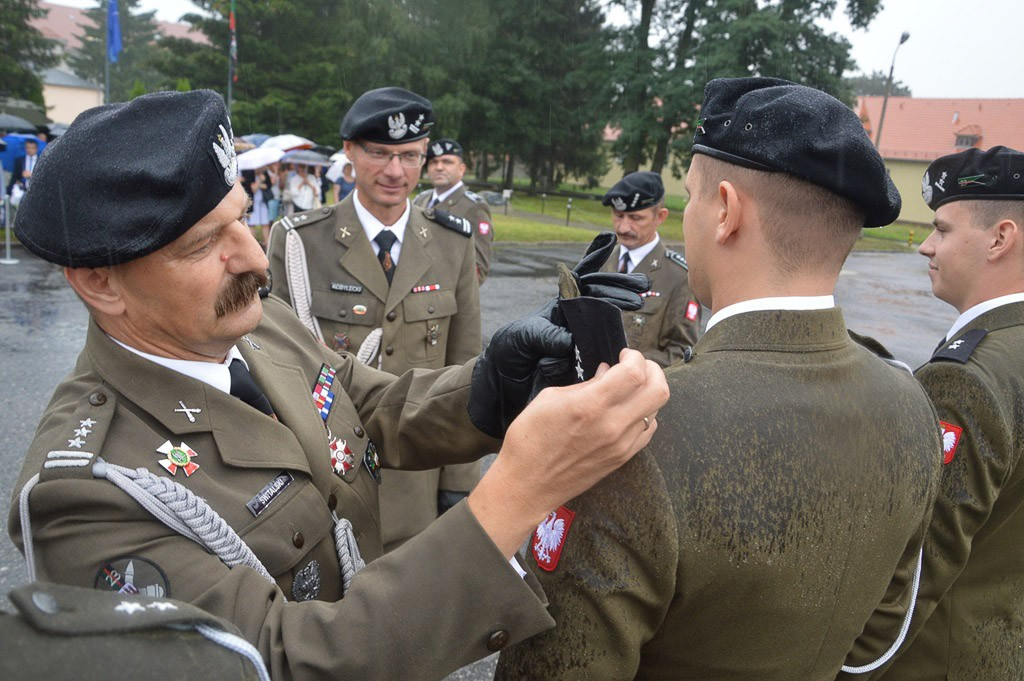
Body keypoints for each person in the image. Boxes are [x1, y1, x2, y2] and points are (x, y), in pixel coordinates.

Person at [8, 89, 667, 681]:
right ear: (99, 281)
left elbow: (368, 404)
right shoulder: (86, 491)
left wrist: (495, 383)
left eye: (242, 217)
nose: (253, 258)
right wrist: (520, 489)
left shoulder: (258, 324)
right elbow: (282, 659)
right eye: (204, 243)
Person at [495, 77, 943, 681]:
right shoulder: (912, 402)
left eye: (692, 201)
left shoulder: (638, 436)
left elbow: (554, 666)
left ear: (727, 211)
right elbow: (878, 636)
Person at [268, 88, 483, 553]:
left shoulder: (452, 244)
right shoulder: (301, 243)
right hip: (327, 477)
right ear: (349, 151)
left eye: (409, 156)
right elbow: (274, 363)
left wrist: (460, 477)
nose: (394, 171)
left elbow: (467, 365)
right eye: (379, 153)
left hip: (418, 480)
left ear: (424, 157)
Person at [842, 146, 1024, 680]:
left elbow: (916, 567)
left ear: (1000, 238)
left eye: (942, 230)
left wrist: (849, 670)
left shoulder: (965, 378)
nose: (925, 246)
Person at [599, 171, 701, 366]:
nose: (623, 227)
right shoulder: (599, 260)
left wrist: (629, 367)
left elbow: (683, 352)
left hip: (637, 390)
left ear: (660, 217)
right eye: (618, 215)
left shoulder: (679, 277)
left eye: (635, 218)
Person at [412, 138, 494, 284]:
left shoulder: (473, 207)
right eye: (433, 162)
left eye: (447, 162)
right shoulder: (420, 200)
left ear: (461, 169)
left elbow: (478, 270)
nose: (439, 167)